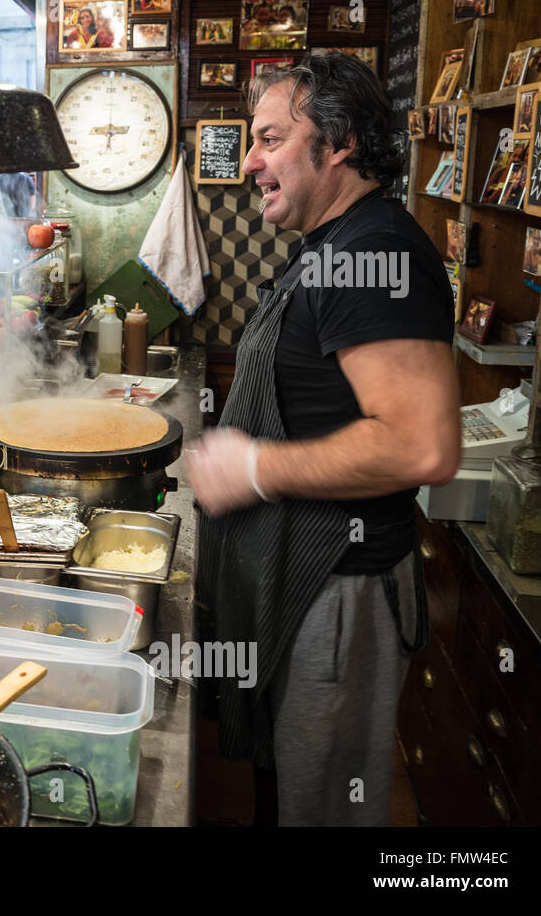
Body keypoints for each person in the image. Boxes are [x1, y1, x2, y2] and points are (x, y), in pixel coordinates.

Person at [187, 54, 460, 826]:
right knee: (291, 797)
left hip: (340, 594)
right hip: (302, 582)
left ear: (336, 141)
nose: (251, 163)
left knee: (324, 810)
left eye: (271, 138)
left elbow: (421, 447)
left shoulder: (378, 256)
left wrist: (256, 468)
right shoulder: (332, 245)